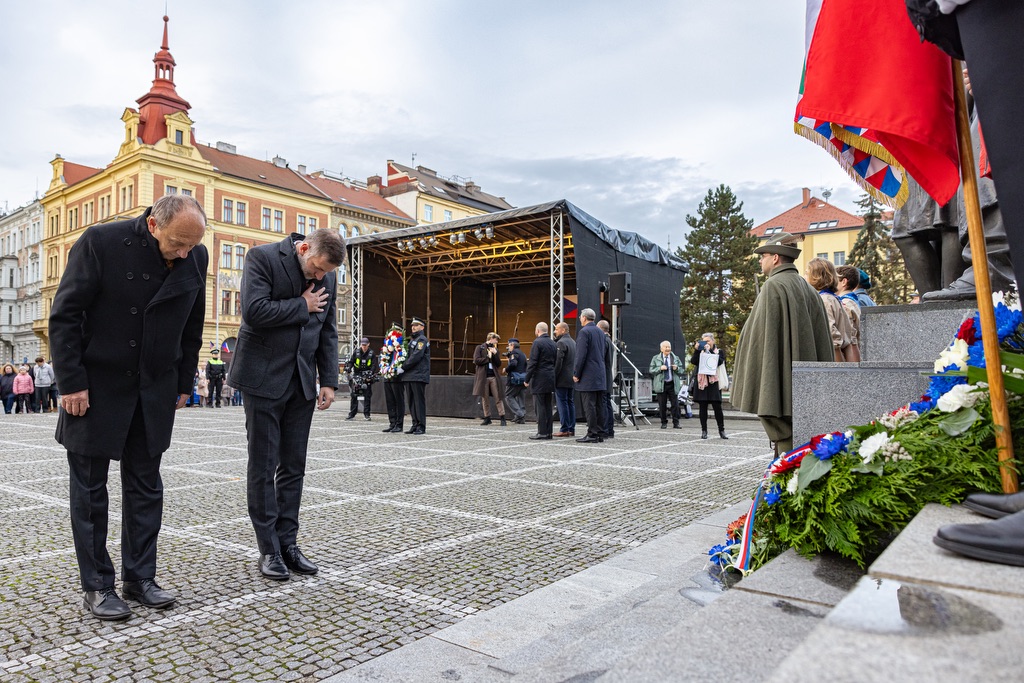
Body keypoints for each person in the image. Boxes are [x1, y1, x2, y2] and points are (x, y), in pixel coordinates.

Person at [48, 193, 208, 621]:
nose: (185, 253)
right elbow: (64, 315)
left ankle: (140, 578)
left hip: (154, 388)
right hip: (96, 387)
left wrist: (182, 381)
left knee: (145, 487)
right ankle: (97, 585)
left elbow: (193, 324)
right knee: (89, 491)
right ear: (154, 225)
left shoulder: (196, 253)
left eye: (192, 245)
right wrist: (72, 382)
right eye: (178, 244)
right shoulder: (100, 242)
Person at [230, 228, 344, 581]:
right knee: (264, 467)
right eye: (316, 269)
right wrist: (302, 305)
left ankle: (288, 543)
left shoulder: (328, 273)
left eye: (325, 272)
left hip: (302, 382)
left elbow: (327, 329)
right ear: (303, 248)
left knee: (293, 466)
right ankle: (269, 550)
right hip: (263, 379)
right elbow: (253, 311)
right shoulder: (261, 258)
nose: (320, 276)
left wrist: (328, 379)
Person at [731, 232, 833, 455]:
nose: (760, 260)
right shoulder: (809, 290)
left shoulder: (774, 286)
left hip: (780, 390)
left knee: (786, 446)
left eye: (763, 255)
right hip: (804, 390)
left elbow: (763, 343)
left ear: (776, 257)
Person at [805, 257, 856, 362]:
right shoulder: (833, 298)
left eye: (806, 273)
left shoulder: (824, 301)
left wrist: (837, 373)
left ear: (816, 277)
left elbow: (833, 338)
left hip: (834, 360)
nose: (804, 277)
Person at [573, 308, 607, 444]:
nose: (580, 319)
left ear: (584, 318)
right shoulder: (600, 332)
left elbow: (580, 355)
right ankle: (599, 433)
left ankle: (592, 434)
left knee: (589, 406)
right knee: (599, 405)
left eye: (581, 317)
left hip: (588, 375)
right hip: (600, 373)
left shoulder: (584, 332)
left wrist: (576, 373)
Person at [690, 334, 728, 439]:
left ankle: (721, 430)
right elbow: (693, 361)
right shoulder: (699, 352)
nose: (706, 343)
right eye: (704, 342)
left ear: (713, 341)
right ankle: (704, 431)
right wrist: (697, 350)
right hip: (702, 383)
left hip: (714, 383)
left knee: (717, 408)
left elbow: (719, 362)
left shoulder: (719, 351)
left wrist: (708, 351)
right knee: (703, 408)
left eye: (708, 341)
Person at [523, 322, 556, 440]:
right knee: (548, 406)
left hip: (540, 378)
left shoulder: (537, 342)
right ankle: (549, 432)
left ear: (537, 330)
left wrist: (527, 379)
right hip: (550, 376)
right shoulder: (553, 343)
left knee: (540, 406)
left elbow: (532, 363)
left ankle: (542, 432)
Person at [401, 317, 430, 435]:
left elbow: (416, 357)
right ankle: (415, 424)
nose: (413, 327)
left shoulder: (422, 339)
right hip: (410, 375)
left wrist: (403, 367)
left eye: (417, 325)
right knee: (412, 402)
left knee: (418, 402)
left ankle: (421, 426)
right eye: (412, 325)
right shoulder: (412, 340)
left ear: (422, 327)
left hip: (418, 375)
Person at [472, 332, 507, 426]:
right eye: (496, 339)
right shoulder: (480, 348)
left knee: (498, 397)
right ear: (491, 338)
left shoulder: (495, 349)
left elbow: (498, 364)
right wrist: (488, 358)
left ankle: (502, 417)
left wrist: (495, 355)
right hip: (484, 377)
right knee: (485, 398)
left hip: (493, 376)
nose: (496, 341)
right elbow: (476, 360)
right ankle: (487, 417)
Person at [378, 324, 406, 433]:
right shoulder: (387, 345)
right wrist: (383, 368)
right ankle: (392, 423)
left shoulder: (402, 345)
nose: (393, 333)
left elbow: (403, 358)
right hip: (387, 376)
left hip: (396, 377)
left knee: (398, 401)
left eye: (396, 331)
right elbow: (382, 357)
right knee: (390, 401)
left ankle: (399, 424)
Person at [649, 340, 682, 430]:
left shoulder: (675, 358)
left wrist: (677, 368)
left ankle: (676, 422)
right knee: (662, 405)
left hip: (672, 384)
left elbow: (682, 370)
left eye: (669, 347)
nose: (668, 349)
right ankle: (663, 422)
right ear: (661, 349)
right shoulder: (656, 358)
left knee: (675, 405)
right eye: (666, 347)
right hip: (661, 384)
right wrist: (659, 368)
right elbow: (651, 370)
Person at [553, 322, 577, 437]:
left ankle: (564, 429)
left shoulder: (561, 343)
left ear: (563, 330)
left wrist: (554, 376)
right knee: (570, 402)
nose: (555, 331)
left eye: (557, 329)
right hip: (571, 377)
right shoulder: (573, 342)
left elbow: (558, 362)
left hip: (562, 378)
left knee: (562, 403)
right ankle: (571, 428)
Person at [835, 265, 863, 362]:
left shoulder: (845, 304)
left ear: (843, 282)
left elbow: (851, 340)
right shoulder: (853, 301)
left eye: (835, 279)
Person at [346, 337, 377, 421]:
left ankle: (367, 414)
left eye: (365, 345)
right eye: (362, 345)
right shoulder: (356, 352)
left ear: (368, 344)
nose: (364, 346)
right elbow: (351, 362)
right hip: (357, 375)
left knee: (367, 395)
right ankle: (352, 414)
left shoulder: (371, 353)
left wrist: (371, 373)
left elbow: (374, 365)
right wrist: (349, 368)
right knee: (354, 395)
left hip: (367, 376)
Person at [596, 320, 616, 439]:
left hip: (603, 376)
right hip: (608, 376)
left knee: (603, 404)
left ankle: (605, 429)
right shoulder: (609, 340)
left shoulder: (604, 341)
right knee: (607, 404)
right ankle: (609, 429)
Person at [503, 337, 528, 424]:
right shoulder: (523, 354)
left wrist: (506, 369)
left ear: (512, 345)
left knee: (508, 396)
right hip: (523, 378)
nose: (508, 347)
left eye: (509, 345)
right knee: (521, 397)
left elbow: (513, 364)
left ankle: (519, 414)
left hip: (514, 378)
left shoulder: (514, 353)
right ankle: (521, 417)